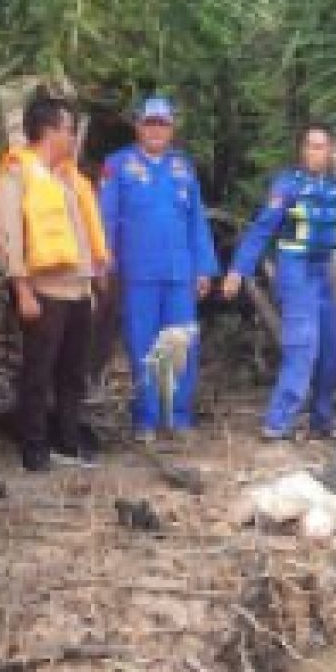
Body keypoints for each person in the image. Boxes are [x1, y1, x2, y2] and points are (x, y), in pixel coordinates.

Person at [0, 92, 109, 471]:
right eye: (70, 130)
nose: (74, 138)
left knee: (73, 371)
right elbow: (10, 237)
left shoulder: (70, 178)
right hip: (42, 291)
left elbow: (82, 233)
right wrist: (22, 289)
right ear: (50, 131)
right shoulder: (16, 175)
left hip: (77, 289)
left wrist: (96, 277)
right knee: (38, 372)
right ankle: (33, 447)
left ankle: (67, 441)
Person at [223, 122, 336, 440]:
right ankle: (277, 423)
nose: (314, 152)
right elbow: (263, 228)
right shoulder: (288, 185)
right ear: (302, 150)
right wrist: (238, 269)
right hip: (295, 270)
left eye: (321, 146)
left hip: (323, 274)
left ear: (331, 152)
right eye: (309, 146)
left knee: (331, 349)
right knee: (303, 346)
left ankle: (321, 421)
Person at [99, 96, 218, 438]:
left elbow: (197, 221)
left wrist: (204, 268)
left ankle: (178, 417)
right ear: (138, 126)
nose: (155, 130)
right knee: (143, 346)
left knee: (181, 345)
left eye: (162, 123)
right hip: (139, 275)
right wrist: (104, 264)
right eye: (149, 123)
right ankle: (146, 419)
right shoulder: (117, 165)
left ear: (172, 128)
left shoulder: (183, 167)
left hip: (180, 273)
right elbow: (104, 219)